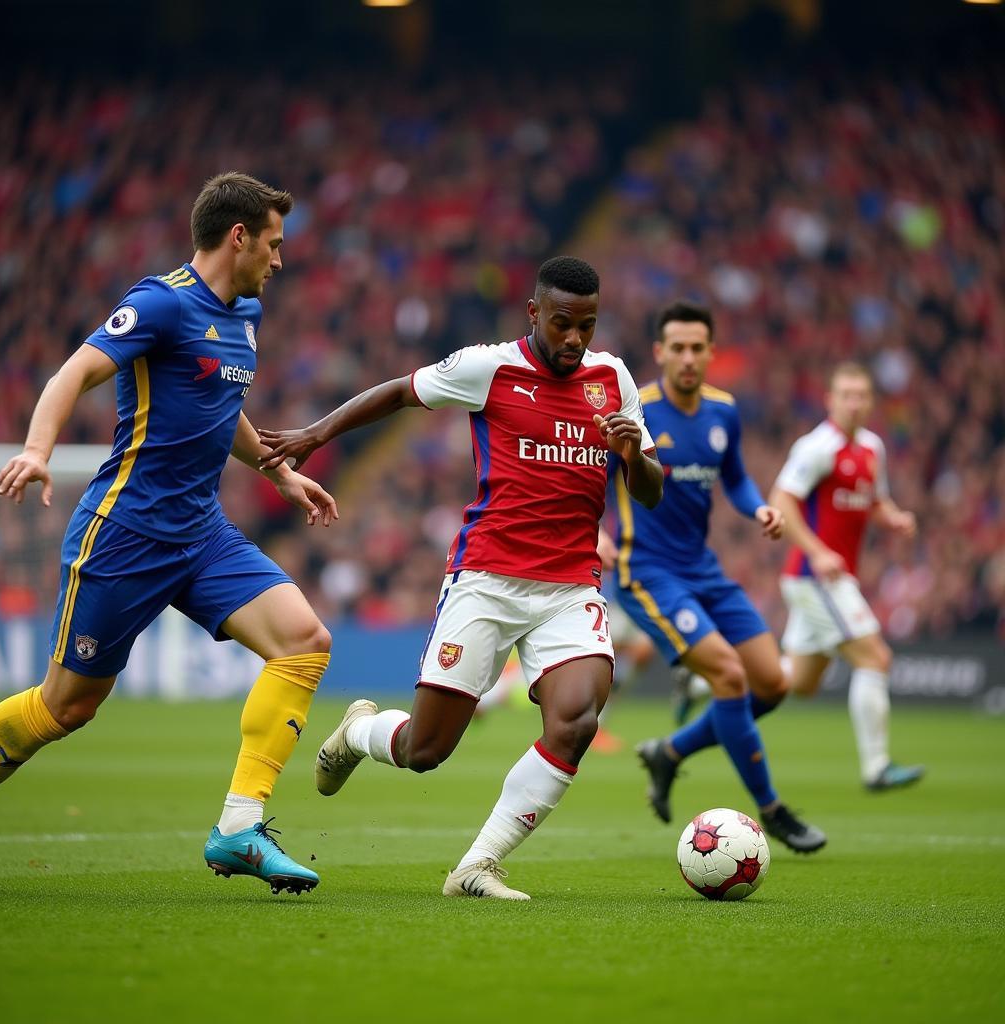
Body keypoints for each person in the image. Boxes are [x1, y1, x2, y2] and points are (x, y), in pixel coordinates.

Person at [258, 256, 663, 900]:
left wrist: (633, 455)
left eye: (586, 325)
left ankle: (476, 866)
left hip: (569, 589)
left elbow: (650, 491)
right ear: (534, 313)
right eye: (562, 323)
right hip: (486, 579)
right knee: (425, 751)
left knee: (576, 721)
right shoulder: (489, 367)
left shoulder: (613, 380)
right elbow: (398, 391)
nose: (574, 339)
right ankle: (360, 731)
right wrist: (317, 432)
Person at [0, 172, 337, 896]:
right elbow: (72, 373)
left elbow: (220, 401)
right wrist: (36, 450)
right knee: (65, 707)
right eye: (273, 244)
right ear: (237, 236)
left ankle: (239, 828)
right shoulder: (160, 303)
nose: (280, 259)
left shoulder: (245, 314)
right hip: (125, 533)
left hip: (201, 533)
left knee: (304, 642)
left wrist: (278, 474)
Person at [607, 300, 826, 853]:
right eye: (675, 348)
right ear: (659, 353)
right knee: (729, 677)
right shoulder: (636, 412)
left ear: (710, 353)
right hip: (648, 572)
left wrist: (758, 510)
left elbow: (737, 478)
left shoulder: (724, 412)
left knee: (773, 684)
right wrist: (595, 537)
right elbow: (590, 481)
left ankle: (670, 751)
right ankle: (772, 810)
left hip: (704, 568)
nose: (686, 358)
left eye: (696, 348)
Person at [769, 362, 924, 791]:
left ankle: (706, 680)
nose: (854, 403)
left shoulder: (873, 447)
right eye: (846, 395)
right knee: (876, 658)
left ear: (871, 401)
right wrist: (818, 552)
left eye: (861, 395)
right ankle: (877, 768)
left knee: (797, 683)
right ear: (830, 400)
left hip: (829, 577)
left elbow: (875, 500)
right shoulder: (817, 447)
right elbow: (781, 499)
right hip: (814, 576)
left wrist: (893, 518)